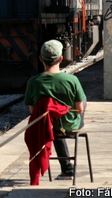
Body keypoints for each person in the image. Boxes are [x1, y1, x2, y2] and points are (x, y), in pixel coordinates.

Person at [24, 39, 87, 180]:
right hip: (71, 125)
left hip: (46, 126)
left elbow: (33, 111)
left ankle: (67, 169)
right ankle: (67, 169)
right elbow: (80, 109)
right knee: (82, 101)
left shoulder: (33, 82)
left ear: (41, 59)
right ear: (61, 59)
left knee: (54, 124)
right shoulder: (72, 80)